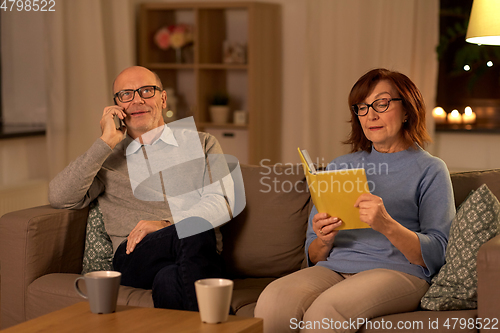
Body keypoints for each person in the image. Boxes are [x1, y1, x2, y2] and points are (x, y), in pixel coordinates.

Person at [254, 68, 455, 333]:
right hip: (335, 268)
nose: (370, 114)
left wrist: (386, 224)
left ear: (407, 110)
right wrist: (324, 240)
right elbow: (313, 252)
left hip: (398, 272)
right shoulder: (341, 166)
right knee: (273, 300)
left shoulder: (431, 169)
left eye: (381, 103)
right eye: (362, 107)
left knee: (325, 313)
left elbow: (439, 252)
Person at [48, 66, 233, 311]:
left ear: (163, 98)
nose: (137, 100)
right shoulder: (107, 159)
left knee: (170, 279)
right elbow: (59, 196)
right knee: (195, 228)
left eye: (146, 91)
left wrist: (166, 223)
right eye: (126, 94)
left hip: (195, 252)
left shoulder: (202, 144)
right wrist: (105, 142)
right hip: (135, 254)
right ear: (116, 107)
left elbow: (223, 202)